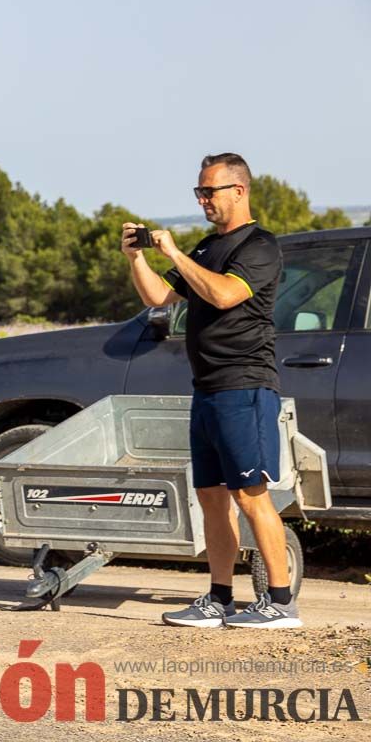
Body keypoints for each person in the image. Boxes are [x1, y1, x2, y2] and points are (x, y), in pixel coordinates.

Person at [123, 152, 300, 629]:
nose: (203, 200)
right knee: (211, 497)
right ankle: (219, 597)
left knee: (250, 494)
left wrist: (175, 253)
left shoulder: (259, 245)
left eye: (210, 191)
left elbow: (224, 294)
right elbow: (160, 297)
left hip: (244, 385)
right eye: (198, 192)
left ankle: (280, 603)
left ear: (238, 191)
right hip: (206, 389)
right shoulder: (206, 246)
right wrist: (137, 257)